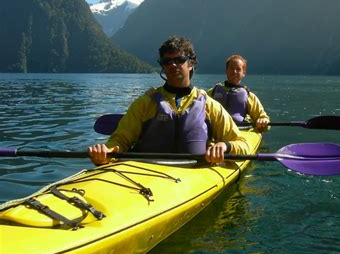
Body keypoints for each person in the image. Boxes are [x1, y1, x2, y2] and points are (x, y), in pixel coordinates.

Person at [88, 36, 250, 166]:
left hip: (193, 174)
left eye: (179, 60)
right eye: (166, 61)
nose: (172, 64)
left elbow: (242, 144)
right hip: (144, 172)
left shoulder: (209, 105)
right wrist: (106, 152)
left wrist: (225, 146)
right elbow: (120, 140)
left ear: (191, 63)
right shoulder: (145, 103)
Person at [209, 55, 270, 132]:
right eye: (231, 68)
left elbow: (262, 116)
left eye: (238, 69)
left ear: (243, 73)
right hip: (215, 130)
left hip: (238, 131)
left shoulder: (249, 96)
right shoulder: (212, 92)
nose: (234, 72)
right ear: (226, 70)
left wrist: (263, 120)